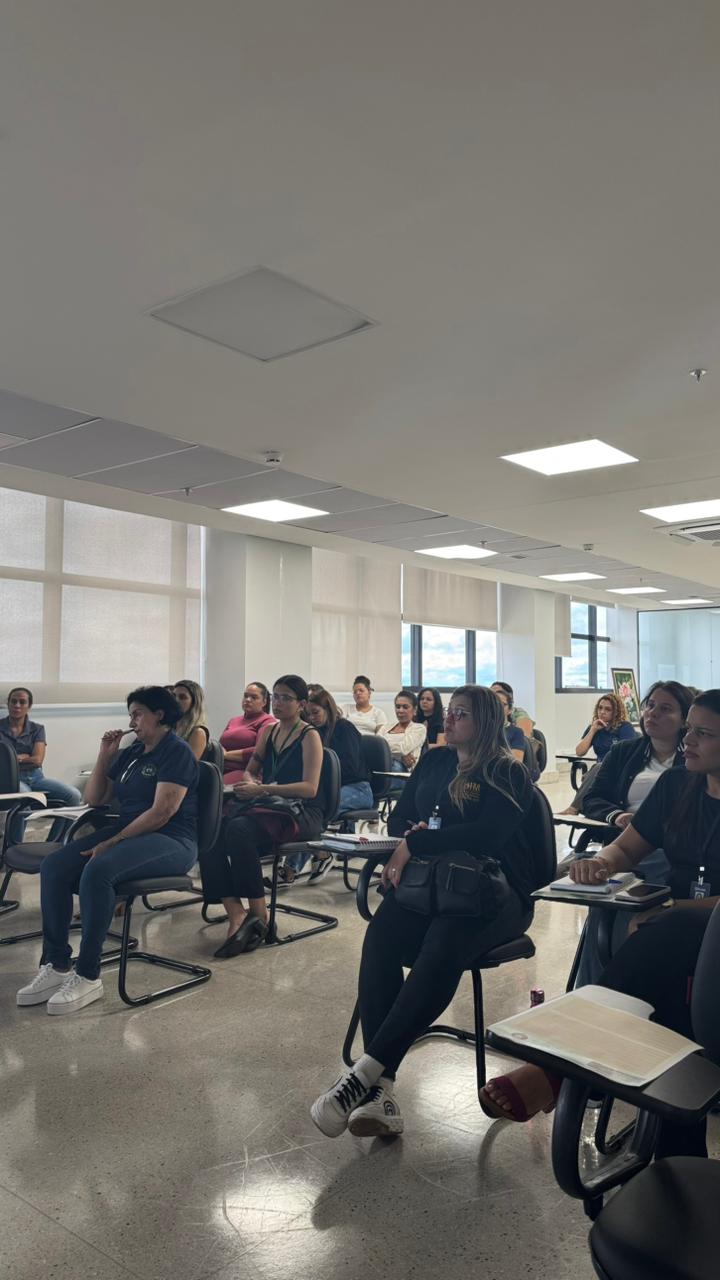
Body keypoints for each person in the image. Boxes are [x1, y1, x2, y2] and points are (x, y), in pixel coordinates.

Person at [479, 688, 720, 1158]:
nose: (688, 740)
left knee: (666, 935)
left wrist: (674, 912)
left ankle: (562, 1069)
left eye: (703, 734)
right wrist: (602, 864)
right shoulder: (677, 786)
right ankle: (678, 1161)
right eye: (689, 729)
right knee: (669, 994)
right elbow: (627, 847)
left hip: (702, 927)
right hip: (678, 937)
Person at [310, 685, 538, 1139]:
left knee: (442, 944)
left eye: (461, 714)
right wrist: (414, 834)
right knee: (382, 935)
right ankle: (381, 1089)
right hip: (434, 883)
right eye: (449, 712)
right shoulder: (435, 761)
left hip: (494, 893)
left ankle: (365, 1072)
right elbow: (400, 819)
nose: (448, 720)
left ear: (486, 722)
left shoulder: (506, 772)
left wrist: (421, 840)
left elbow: (487, 837)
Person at [15, 686, 199, 1016]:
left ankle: (88, 974)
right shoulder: (133, 752)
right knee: (54, 866)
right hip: (129, 831)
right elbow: (95, 798)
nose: (131, 722)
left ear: (159, 714)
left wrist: (114, 841)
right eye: (130, 715)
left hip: (172, 838)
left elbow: (163, 812)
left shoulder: (177, 751)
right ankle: (56, 964)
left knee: (99, 868)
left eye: (138, 714)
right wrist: (105, 755)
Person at [570, 680, 694, 984]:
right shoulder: (625, 752)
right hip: (630, 838)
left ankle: (617, 984)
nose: (652, 713)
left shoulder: (691, 764)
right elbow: (592, 798)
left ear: (685, 720)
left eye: (665, 709)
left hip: (671, 848)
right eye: (650, 705)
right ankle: (592, 989)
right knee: (604, 902)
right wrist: (617, 816)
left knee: (634, 889)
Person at [199, 675, 325, 957]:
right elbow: (251, 768)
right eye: (276, 696)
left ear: (301, 704)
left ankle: (259, 914)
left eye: (286, 698)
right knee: (211, 830)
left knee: (238, 829)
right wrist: (249, 781)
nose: (278, 703)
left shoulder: (309, 736)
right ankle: (235, 910)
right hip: (270, 805)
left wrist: (263, 789)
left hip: (301, 811)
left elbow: (310, 788)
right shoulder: (269, 732)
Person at [284, 688, 375, 880]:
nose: (312, 718)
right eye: (308, 714)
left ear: (328, 709)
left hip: (358, 788)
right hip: (330, 789)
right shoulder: (313, 732)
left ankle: (292, 868)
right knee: (307, 810)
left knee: (318, 810)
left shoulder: (344, 728)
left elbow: (349, 767)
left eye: (316, 712)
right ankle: (321, 854)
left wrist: (319, 774)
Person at [1, 687, 82, 842]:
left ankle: (56, 843)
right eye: (13, 701)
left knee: (73, 795)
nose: (17, 705)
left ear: (29, 706)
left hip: (36, 778)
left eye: (22, 702)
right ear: (8, 703)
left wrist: (13, 759)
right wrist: (23, 757)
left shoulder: (37, 729)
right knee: (23, 799)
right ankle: (13, 847)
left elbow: (38, 760)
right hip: (10, 780)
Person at [219, 683, 276, 785]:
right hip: (220, 766)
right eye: (246, 696)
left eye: (254, 697)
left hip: (245, 771)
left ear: (264, 702)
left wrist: (227, 755)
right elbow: (220, 746)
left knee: (213, 787)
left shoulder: (267, 721)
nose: (248, 700)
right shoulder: (233, 720)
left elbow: (259, 751)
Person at [379, 690, 427, 792]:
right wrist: (400, 756)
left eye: (405, 707)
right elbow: (375, 747)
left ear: (414, 710)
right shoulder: (385, 727)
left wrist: (385, 750)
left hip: (402, 772)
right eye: (398, 707)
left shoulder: (419, 728)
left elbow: (402, 748)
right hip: (380, 766)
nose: (400, 710)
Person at [575, 693, 636, 762]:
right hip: (600, 766)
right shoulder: (595, 726)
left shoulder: (625, 727)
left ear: (616, 712)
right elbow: (579, 752)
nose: (602, 712)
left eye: (608, 709)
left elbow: (628, 754)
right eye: (600, 708)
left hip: (617, 766)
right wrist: (593, 730)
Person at [173, 679, 210, 761]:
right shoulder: (170, 727)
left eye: (182, 697)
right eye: (173, 696)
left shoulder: (198, 732)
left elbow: (186, 765)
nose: (176, 700)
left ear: (194, 702)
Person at [493, 686, 526, 763]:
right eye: (493, 704)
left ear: (510, 710)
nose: (497, 707)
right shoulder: (481, 730)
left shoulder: (516, 732)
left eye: (502, 704)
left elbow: (516, 762)